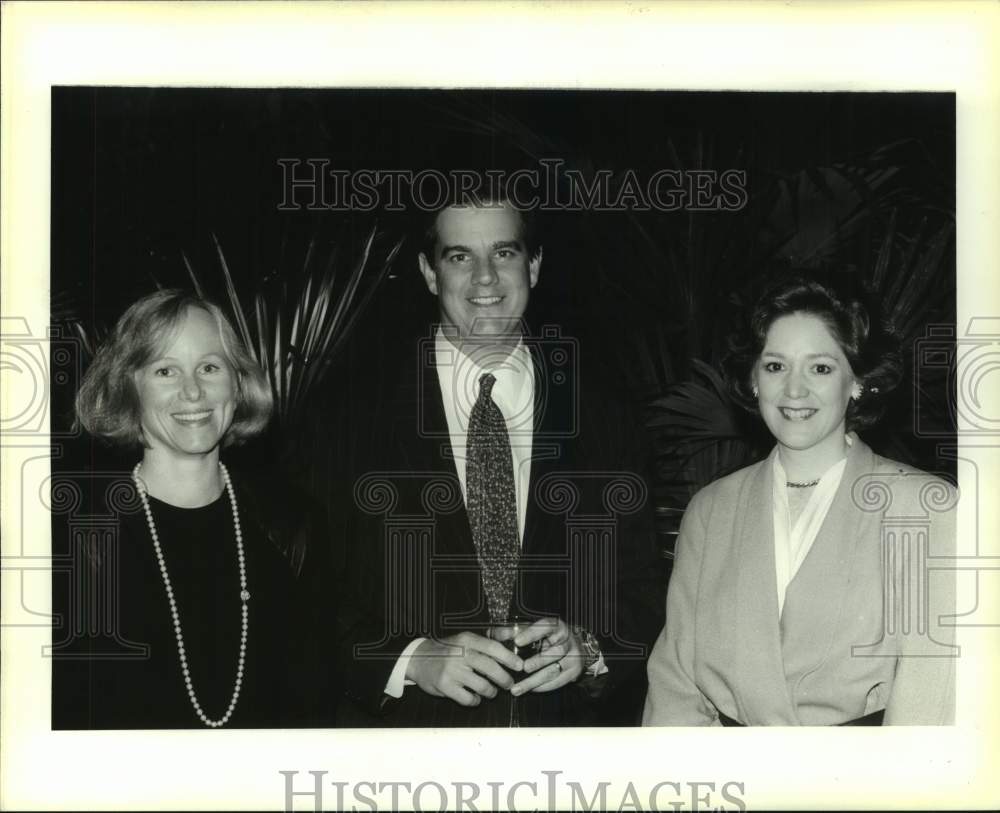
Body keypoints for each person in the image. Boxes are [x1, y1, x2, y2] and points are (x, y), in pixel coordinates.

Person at [332, 195, 664, 726]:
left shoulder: (603, 410)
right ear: (428, 271)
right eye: (460, 256)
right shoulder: (353, 415)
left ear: (533, 265)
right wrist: (412, 658)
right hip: (408, 756)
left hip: (565, 752)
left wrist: (590, 648)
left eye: (504, 253)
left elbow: (643, 584)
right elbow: (315, 593)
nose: (486, 279)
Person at [642, 275, 956, 726]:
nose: (794, 390)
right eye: (775, 366)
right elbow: (674, 686)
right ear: (753, 379)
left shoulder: (927, 508)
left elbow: (931, 704)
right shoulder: (711, 511)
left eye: (820, 368)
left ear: (858, 383)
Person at [52, 290, 330, 728]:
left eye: (210, 367)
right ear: (128, 387)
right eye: (165, 370)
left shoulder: (291, 525)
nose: (193, 390)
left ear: (237, 385)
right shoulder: (72, 534)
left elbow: (312, 703)